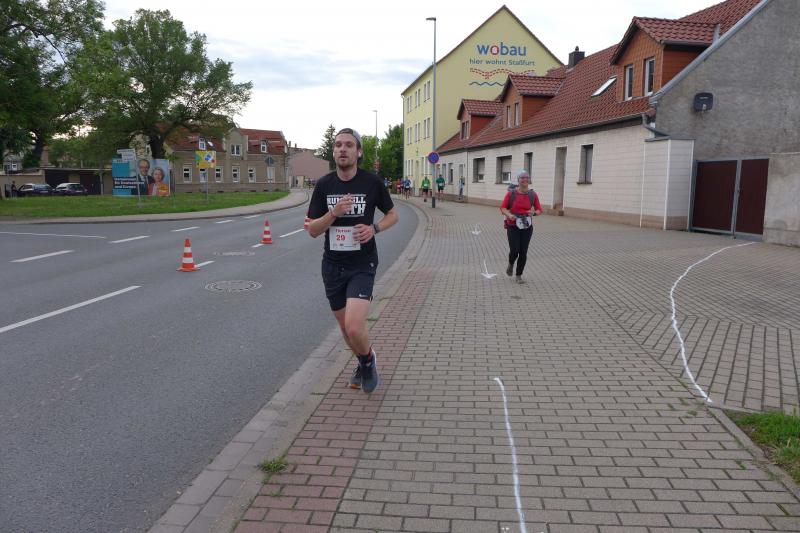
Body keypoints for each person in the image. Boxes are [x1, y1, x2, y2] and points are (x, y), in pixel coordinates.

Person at [308, 128, 399, 393]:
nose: (342, 149)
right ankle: (362, 360)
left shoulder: (371, 182)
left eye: (349, 145)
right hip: (332, 265)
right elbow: (313, 230)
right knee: (345, 328)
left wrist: (374, 228)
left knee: (354, 326)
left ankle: (368, 360)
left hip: (362, 263)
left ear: (358, 152)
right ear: (333, 151)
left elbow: (393, 215)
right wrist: (333, 213)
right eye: (338, 145)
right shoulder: (324, 185)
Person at [500, 170, 543, 284]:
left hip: (526, 227)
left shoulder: (532, 195)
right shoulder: (511, 194)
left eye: (527, 177)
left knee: (523, 252)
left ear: (529, 180)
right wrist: (509, 215)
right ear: (518, 180)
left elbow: (539, 210)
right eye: (522, 178)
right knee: (514, 250)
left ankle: (519, 275)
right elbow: (503, 208)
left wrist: (534, 213)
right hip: (513, 225)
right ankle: (510, 264)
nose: (525, 179)